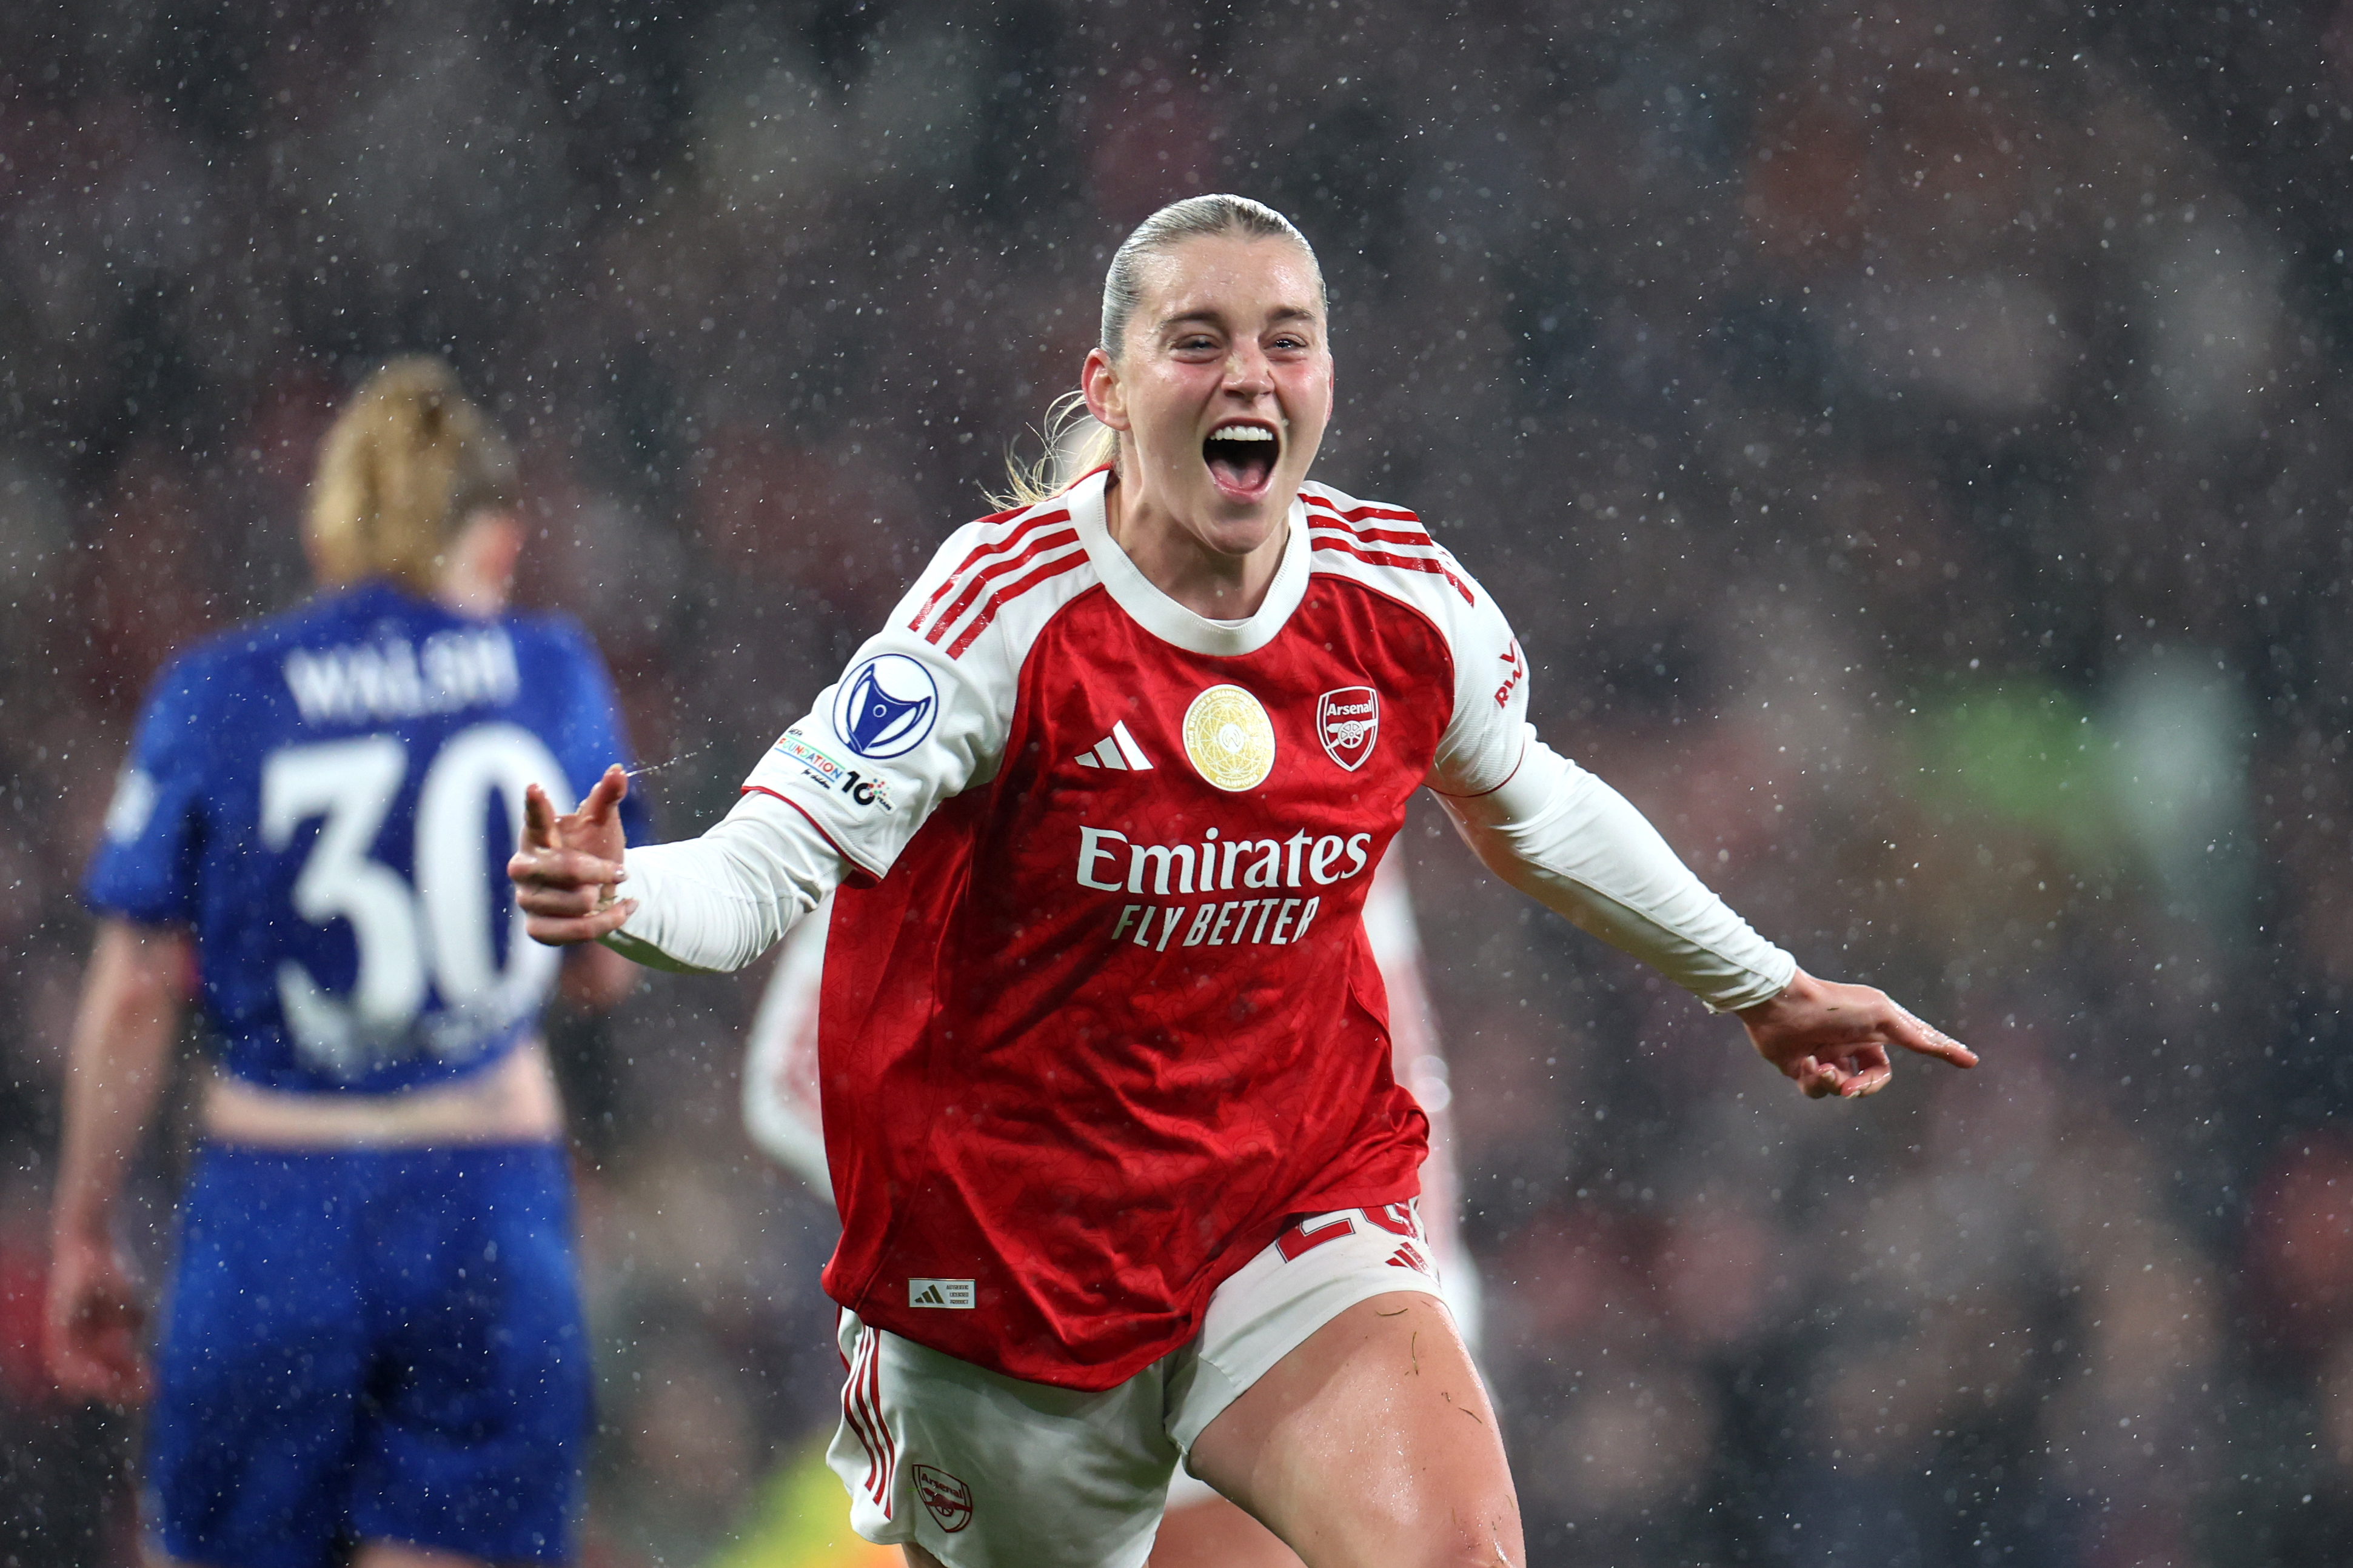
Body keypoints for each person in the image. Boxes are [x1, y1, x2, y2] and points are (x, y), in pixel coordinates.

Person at [510, 194, 1976, 1568]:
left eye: (1286, 338)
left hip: (1287, 1208)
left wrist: (1763, 986)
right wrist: (625, 894)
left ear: (1328, 376)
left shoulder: (1399, 602)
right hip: (1007, 1278)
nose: (1248, 376)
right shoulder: (995, 617)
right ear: (1106, 384)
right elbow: (764, 867)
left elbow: (1531, 804)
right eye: (1196, 340)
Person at [47, 358, 648, 1568]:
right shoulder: (546, 670)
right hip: (483, 1199)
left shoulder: (218, 690)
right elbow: (601, 959)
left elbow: (128, 994)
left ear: (328, 539)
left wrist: (84, 1228)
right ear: (495, 544)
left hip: (279, 1203)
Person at [736, 849, 1474, 1568]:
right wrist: (1066, 1235)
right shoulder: (1008, 742)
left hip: (1284, 1338)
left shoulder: (1343, 747)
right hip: (1068, 1356)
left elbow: (1391, 1058)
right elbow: (801, 1072)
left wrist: (1435, 1308)